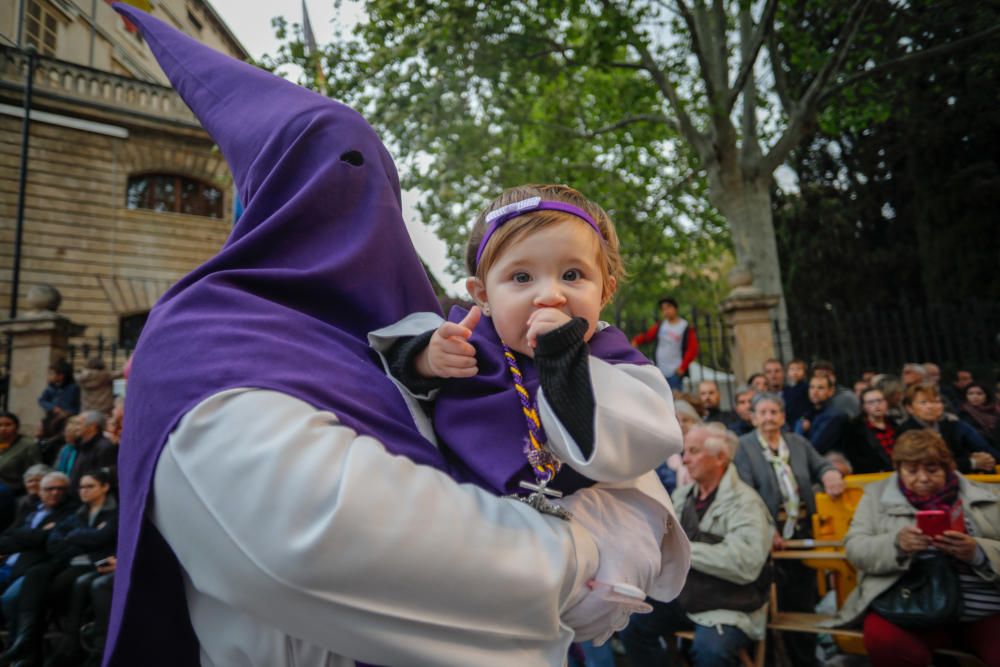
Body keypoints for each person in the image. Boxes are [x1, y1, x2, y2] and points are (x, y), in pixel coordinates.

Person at [105, 7, 688, 666]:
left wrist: (634, 510)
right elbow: (314, 537)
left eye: (371, 173)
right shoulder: (204, 340)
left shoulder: (394, 322)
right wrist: (584, 555)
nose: (357, 199)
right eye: (325, 170)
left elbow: (621, 435)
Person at [369, 182, 689, 604]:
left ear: (606, 291)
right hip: (471, 519)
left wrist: (565, 360)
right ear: (483, 295)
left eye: (573, 275)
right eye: (521, 277)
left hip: (576, 531)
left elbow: (647, 427)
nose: (550, 295)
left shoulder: (610, 354)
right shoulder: (468, 336)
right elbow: (390, 369)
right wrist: (428, 360)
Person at [828, 430, 1000, 666]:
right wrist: (896, 545)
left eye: (932, 470)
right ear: (898, 469)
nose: (922, 479)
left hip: (984, 609)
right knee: (886, 642)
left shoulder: (987, 495)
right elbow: (856, 548)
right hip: (905, 605)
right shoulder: (876, 496)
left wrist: (978, 552)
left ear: (948, 466)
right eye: (911, 471)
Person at [622, 424, 772, 666]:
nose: (685, 459)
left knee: (709, 652)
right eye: (685, 451)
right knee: (631, 625)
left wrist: (684, 550)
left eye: (693, 451)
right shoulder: (682, 497)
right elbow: (660, 540)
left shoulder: (746, 503)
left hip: (729, 606)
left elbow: (747, 563)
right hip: (687, 598)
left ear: (720, 457)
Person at [734, 393, 844, 667]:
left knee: (803, 600)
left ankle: (805, 659)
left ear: (783, 417)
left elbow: (822, 465)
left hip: (801, 532)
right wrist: (768, 529)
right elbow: (746, 493)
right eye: (763, 412)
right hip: (766, 534)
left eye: (774, 412)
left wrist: (830, 474)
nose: (769, 417)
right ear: (754, 417)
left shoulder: (797, 443)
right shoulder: (744, 447)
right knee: (772, 605)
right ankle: (773, 659)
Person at [41, 469, 118, 667]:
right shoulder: (79, 512)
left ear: (105, 487)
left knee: (79, 582)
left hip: (99, 565)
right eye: (81, 486)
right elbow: (54, 541)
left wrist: (73, 535)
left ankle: (79, 647)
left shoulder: (114, 511)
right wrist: (87, 535)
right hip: (76, 562)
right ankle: (71, 645)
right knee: (50, 582)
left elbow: (104, 537)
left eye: (89, 486)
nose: (83, 491)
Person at [0, 472, 75, 661]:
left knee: (10, 599)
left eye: (60, 489)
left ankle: (23, 651)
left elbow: (49, 541)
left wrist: (26, 536)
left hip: (39, 568)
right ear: (40, 492)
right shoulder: (30, 508)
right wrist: (34, 535)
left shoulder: (70, 511)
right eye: (50, 489)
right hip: (14, 564)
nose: (55, 493)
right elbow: (6, 537)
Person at [897, 383, 998, 474]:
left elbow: (985, 450)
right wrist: (972, 462)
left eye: (936, 402)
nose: (931, 407)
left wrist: (984, 458)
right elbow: (929, 466)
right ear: (909, 408)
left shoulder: (952, 425)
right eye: (924, 402)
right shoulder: (906, 431)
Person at [630, 297, 699, 390]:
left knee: (675, 399)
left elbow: (693, 349)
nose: (666, 311)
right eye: (663, 309)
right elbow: (648, 336)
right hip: (659, 370)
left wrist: (683, 367)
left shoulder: (685, 327)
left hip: (675, 372)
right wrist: (636, 341)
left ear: (675, 308)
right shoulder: (661, 325)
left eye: (668, 307)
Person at [840, 387, 897, 474]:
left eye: (880, 400)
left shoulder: (895, 425)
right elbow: (855, 458)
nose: (877, 405)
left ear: (886, 403)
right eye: (871, 402)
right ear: (863, 407)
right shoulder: (854, 429)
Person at [0, 412, 41, 531]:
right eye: (0, 425)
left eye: (8, 424)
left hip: (13, 487)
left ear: (16, 427)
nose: (3, 428)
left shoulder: (28, 445)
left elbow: (35, 469)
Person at [796, 374, 850, 455]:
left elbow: (815, 447)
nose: (815, 392)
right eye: (812, 387)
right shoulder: (807, 414)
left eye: (820, 388)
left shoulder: (836, 416)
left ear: (830, 391)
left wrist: (803, 430)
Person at [67, 412, 116, 493]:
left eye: (79, 424)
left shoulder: (105, 447)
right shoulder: (81, 445)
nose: (75, 428)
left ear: (93, 426)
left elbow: (102, 478)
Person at [959, 382, 1000, 449]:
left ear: (986, 396)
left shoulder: (996, 410)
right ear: (965, 396)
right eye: (970, 393)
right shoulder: (963, 413)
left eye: (979, 393)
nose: (975, 396)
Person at [782, 359, 810, 426]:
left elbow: (809, 405)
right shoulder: (786, 389)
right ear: (787, 373)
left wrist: (806, 417)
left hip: (801, 419)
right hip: (788, 419)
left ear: (804, 373)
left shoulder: (806, 387)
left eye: (799, 369)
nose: (795, 372)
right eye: (792, 369)